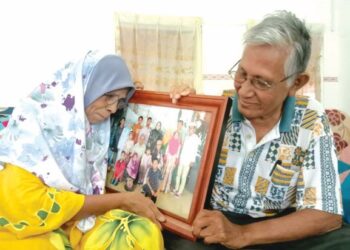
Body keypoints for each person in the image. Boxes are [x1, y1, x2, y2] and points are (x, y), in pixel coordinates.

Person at [167, 10, 350, 250]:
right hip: (219, 220)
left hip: (278, 225)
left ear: (296, 83)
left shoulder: (310, 117)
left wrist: (243, 235)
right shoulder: (216, 110)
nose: (243, 92)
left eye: (261, 82)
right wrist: (181, 108)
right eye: (242, 74)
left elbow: (327, 214)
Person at [0, 51, 165, 250]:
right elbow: (28, 203)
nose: (113, 108)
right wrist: (122, 200)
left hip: (72, 222)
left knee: (141, 234)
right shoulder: (33, 122)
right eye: (109, 96)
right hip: (23, 229)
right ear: (83, 88)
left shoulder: (90, 128)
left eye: (119, 101)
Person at [173, 122, 200, 197]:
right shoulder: (187, 137)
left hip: (188, 161)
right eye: (190, 128)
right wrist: (179, 157)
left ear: (194, 129)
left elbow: (195, 151)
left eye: (192, 128)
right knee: (178, 175)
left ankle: (179, 192)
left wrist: (192, 161)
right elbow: (183, 148)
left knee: (184, 176)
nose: (190, 129)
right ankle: (176, 188)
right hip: (182, 158)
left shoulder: (196, 138)